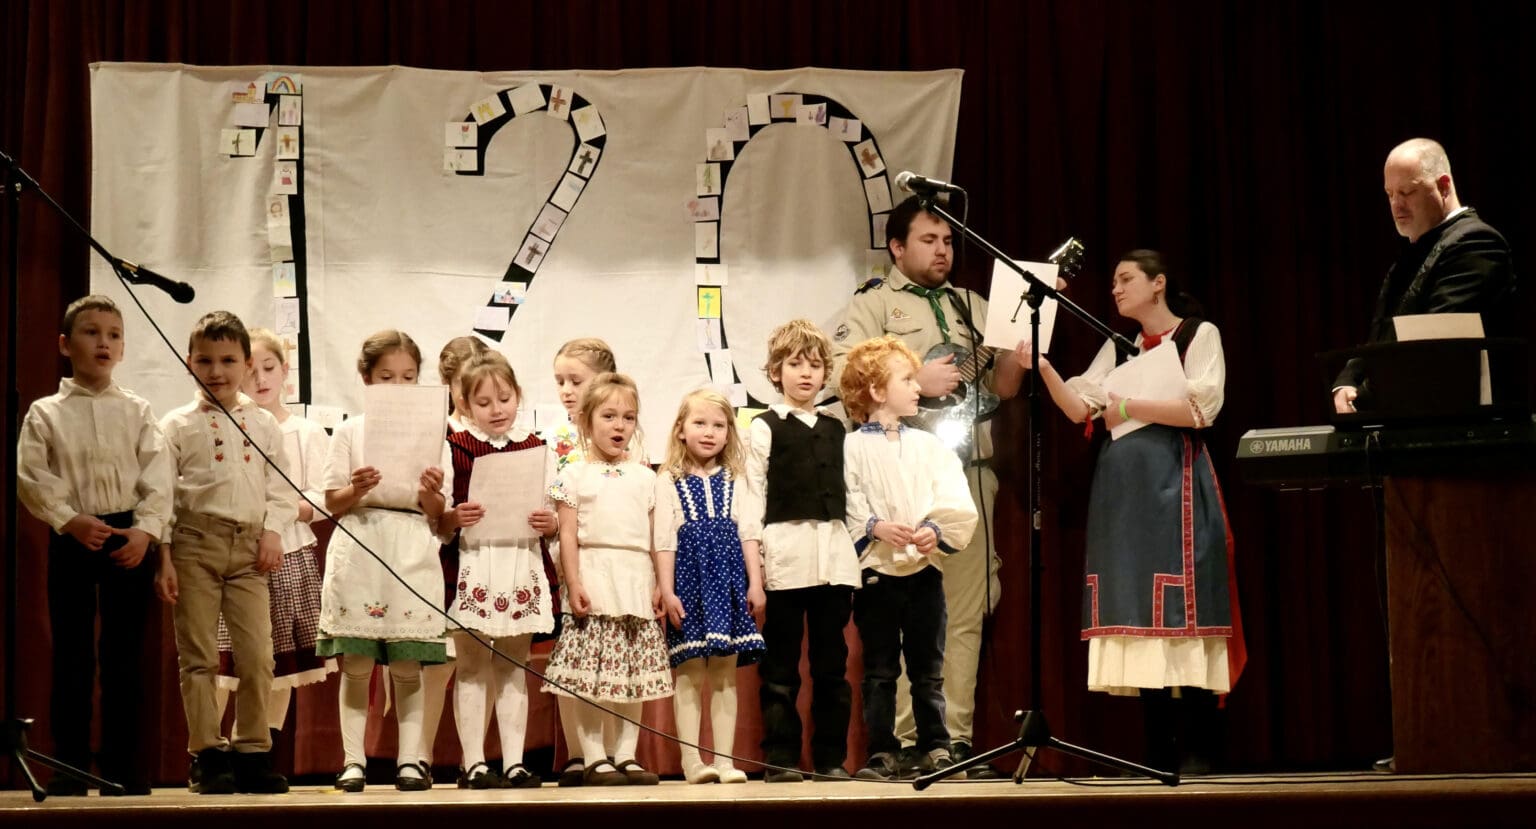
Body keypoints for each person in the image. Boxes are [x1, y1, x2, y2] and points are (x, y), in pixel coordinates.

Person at [1010, 250, 1241, 774]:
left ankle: (1200, 749)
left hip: (1174, 483)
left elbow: (1203, 408)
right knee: (1140, 613)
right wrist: (1042, 368)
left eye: (1126, 279)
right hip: (1124, 492)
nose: (1114, 289)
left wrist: (1132, 406)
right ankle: (1157, 750)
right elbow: (1078, 408)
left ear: (1158, 284)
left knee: (1183, 606)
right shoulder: (1118, 346)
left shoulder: (1197, 334)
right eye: (1113, 281)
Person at [829, 196, 1023, 776]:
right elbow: (842, 374)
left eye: (948, 241)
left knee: (963, 612)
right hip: (897, 479)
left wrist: (1020, 353)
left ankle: (952, 741)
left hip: (968, 473)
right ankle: (908, 742)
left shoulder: (972, 304)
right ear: (897, 246)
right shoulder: (873, 305)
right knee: (902, 619)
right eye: (928, 240)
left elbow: (1004, 387)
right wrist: (918, 371)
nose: (942, 251)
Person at [16, 295, 171, 797]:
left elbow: (157, 476)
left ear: (122, 348)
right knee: (73, 655)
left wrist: (145, 530)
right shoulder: (46, 412)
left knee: (125, 656)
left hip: (128, 536)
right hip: (75, 535)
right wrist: (68, 520)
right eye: (90, 332)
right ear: (65, 344)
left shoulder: (138, 410)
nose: (103, 342)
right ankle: (70, 765)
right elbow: (33, 476)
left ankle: (126, 767)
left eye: (113, 334)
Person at [156, 311, 294, 795]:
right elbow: (161, 495)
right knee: (199, 656)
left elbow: (280, 486)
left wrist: (273, 531)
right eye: (206, 360)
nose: (217, 371)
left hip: (249, 547)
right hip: (195, 542)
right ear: (190, 363)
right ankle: (208, 754)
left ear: (248, 363)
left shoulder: (262, 424)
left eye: (228, 360)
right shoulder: (175, 424)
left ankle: (253, 750)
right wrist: (166, 555)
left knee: (257, 655)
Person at [315, 330, 452, 793]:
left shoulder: (435, 433)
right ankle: (353, 762)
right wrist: (357, 487)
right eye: (386, 376)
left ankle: (410, 761)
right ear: (367, 378)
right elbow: (332, 500)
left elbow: (438, 514)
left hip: (411, 543)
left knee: (407, 664)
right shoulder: (352, 429)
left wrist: (432, 494)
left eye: (408, 377)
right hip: (361, 543)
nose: (398, 384)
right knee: (356, 661)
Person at [839, 335, 978, 781]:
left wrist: (933, 529)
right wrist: (874, 526)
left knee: (928, 668)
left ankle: (935, 743)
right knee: (880, 669)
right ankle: (882, 749)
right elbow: (848, 498)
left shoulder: (929, 446)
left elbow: (953, 496)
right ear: (877, 390)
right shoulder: (851, 447)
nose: (917, 387)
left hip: (923, 572)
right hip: (878, 572)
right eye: (907, 379)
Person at [541, 373, 672, 786]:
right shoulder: (574, 475)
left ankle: (625, 754)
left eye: (628, 417)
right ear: (586, 421)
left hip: (634, 578)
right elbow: (566, 535)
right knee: (591, 674)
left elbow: (656, 537)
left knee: (631, 674)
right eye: (609, 416)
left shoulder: (647, 477)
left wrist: (658, 584)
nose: (619, 426)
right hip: (594, 576)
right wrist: (573, 581)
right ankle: (594, 754)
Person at [746, 319, 860, 782]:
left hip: (834, 559)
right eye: (794, 364)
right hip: (785, 559)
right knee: (781, 667)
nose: (805, 374)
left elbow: (852, 496)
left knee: (832, 668)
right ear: (776, 372)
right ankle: (780, 759)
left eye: (815, 365)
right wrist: (756, 569)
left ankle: (831, 759)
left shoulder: (837, 428)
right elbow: (752, 495)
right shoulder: (764, 426)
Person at [437, 352, 557, 789]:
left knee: (513, 664)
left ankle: (514, 761)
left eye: (504, 398)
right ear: (466, 405)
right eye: (484, 402)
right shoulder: (454, 445)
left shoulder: (536, 444)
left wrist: (553, 521)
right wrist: (454, 517)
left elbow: (555, 501)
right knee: (471, 666)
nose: (497, 409)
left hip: (519, 560)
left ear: (517, 395)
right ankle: (473, 762)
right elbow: (440, 514)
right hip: (474, 562)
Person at [210, 328, 335, 746]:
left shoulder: (307, 432)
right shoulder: (229, 424)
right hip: (237, 551)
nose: (261, 380)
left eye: (269, 369)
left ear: (285, 372)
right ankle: (211, 747)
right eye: (252, 371)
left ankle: (261, 745)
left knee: (280, 663)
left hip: (289, 550)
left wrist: (287, 509)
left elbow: (322, 496)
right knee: (226, 661)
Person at [1333, 137, 1518, 413]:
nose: (1396, 205)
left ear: (1443, 186)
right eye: (1389, 194)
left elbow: (1431, 347)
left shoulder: (1476, 243)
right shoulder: (1417, 250)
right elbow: (1383, 330)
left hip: (1463, 428)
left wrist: (1363, 397)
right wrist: (1347, 381)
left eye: (1407, 192)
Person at [655, 388, 766, 784]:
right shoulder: (668, 479)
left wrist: (756, 583)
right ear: (681, 430)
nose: (709, 432)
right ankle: (692, 761)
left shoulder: (736, 478)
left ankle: (724, 760)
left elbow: (749, 532)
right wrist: (667, 591)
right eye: (699, 423)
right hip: (690, 579)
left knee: (724, 672)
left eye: (719, 425)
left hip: (730, 578)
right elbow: (664, 538)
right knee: (690, 672)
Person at [418, 335, 490, 780]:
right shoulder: (437, 431)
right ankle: (420, 755)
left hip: (487, 555)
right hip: (444, 554)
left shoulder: (502, 433)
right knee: (437, 661)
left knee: (478, 660)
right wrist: (445, 519)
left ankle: (474, 759)